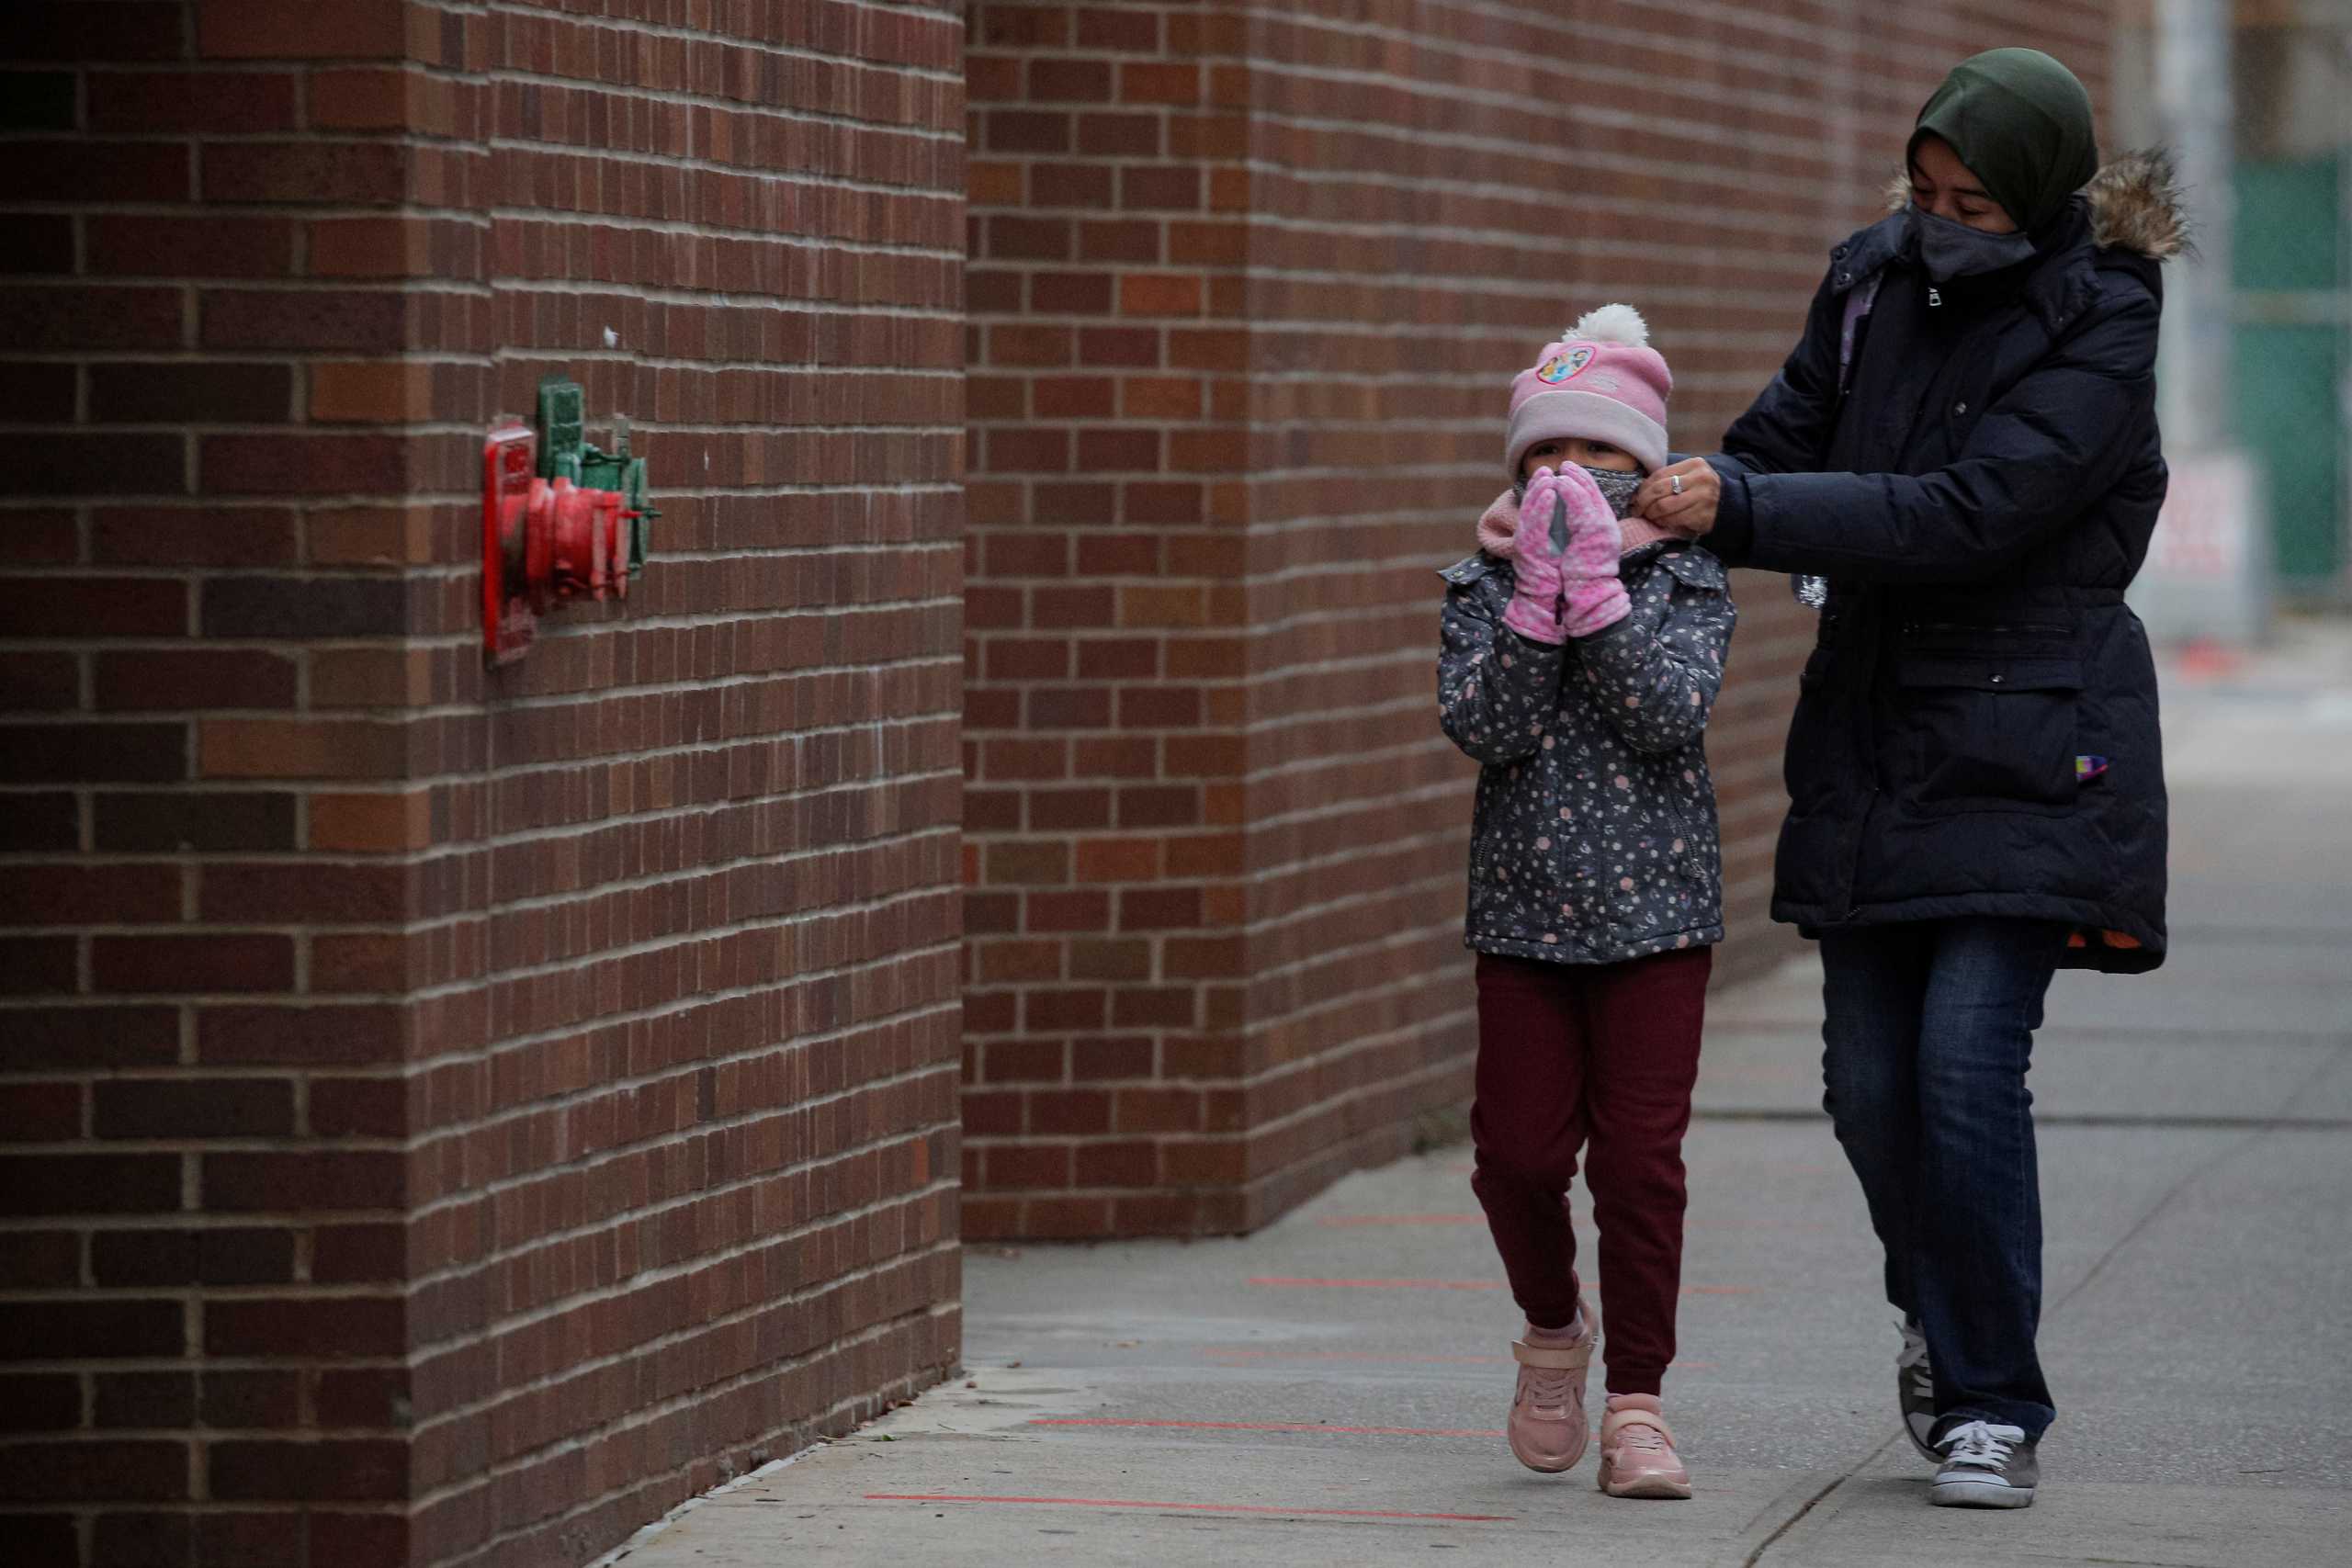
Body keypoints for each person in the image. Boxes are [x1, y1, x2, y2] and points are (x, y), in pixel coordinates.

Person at [1630, 49, 2182, 1510]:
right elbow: (1774, 444)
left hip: (2036, 743)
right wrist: (1640, 494)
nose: (1944, 222)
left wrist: (1743, 507)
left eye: (1979, 206)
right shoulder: (1870, 284)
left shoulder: (2104, 323)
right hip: (1878, 739)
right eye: (1928, 193)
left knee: (1960, 1070)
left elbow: (1975, 511)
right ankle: (1940, 1322)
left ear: (2046, 202)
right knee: (1870, 1090)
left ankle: (1993, 1399)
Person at [1436, 304, 1735, 1500]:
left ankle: (1639, 1405)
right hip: (1523, 915)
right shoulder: (1478, 582)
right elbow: (1483, 726)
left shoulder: (1690, 580)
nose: (1566, 482)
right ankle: (1554, 1330)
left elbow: (1668, 713)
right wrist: (1535, 603)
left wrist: (1602, 600)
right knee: (1514, 1155)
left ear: (1642, 468)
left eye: (1594, 462)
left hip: (1658, 914)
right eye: (1543, 461)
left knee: (1639, 1166)